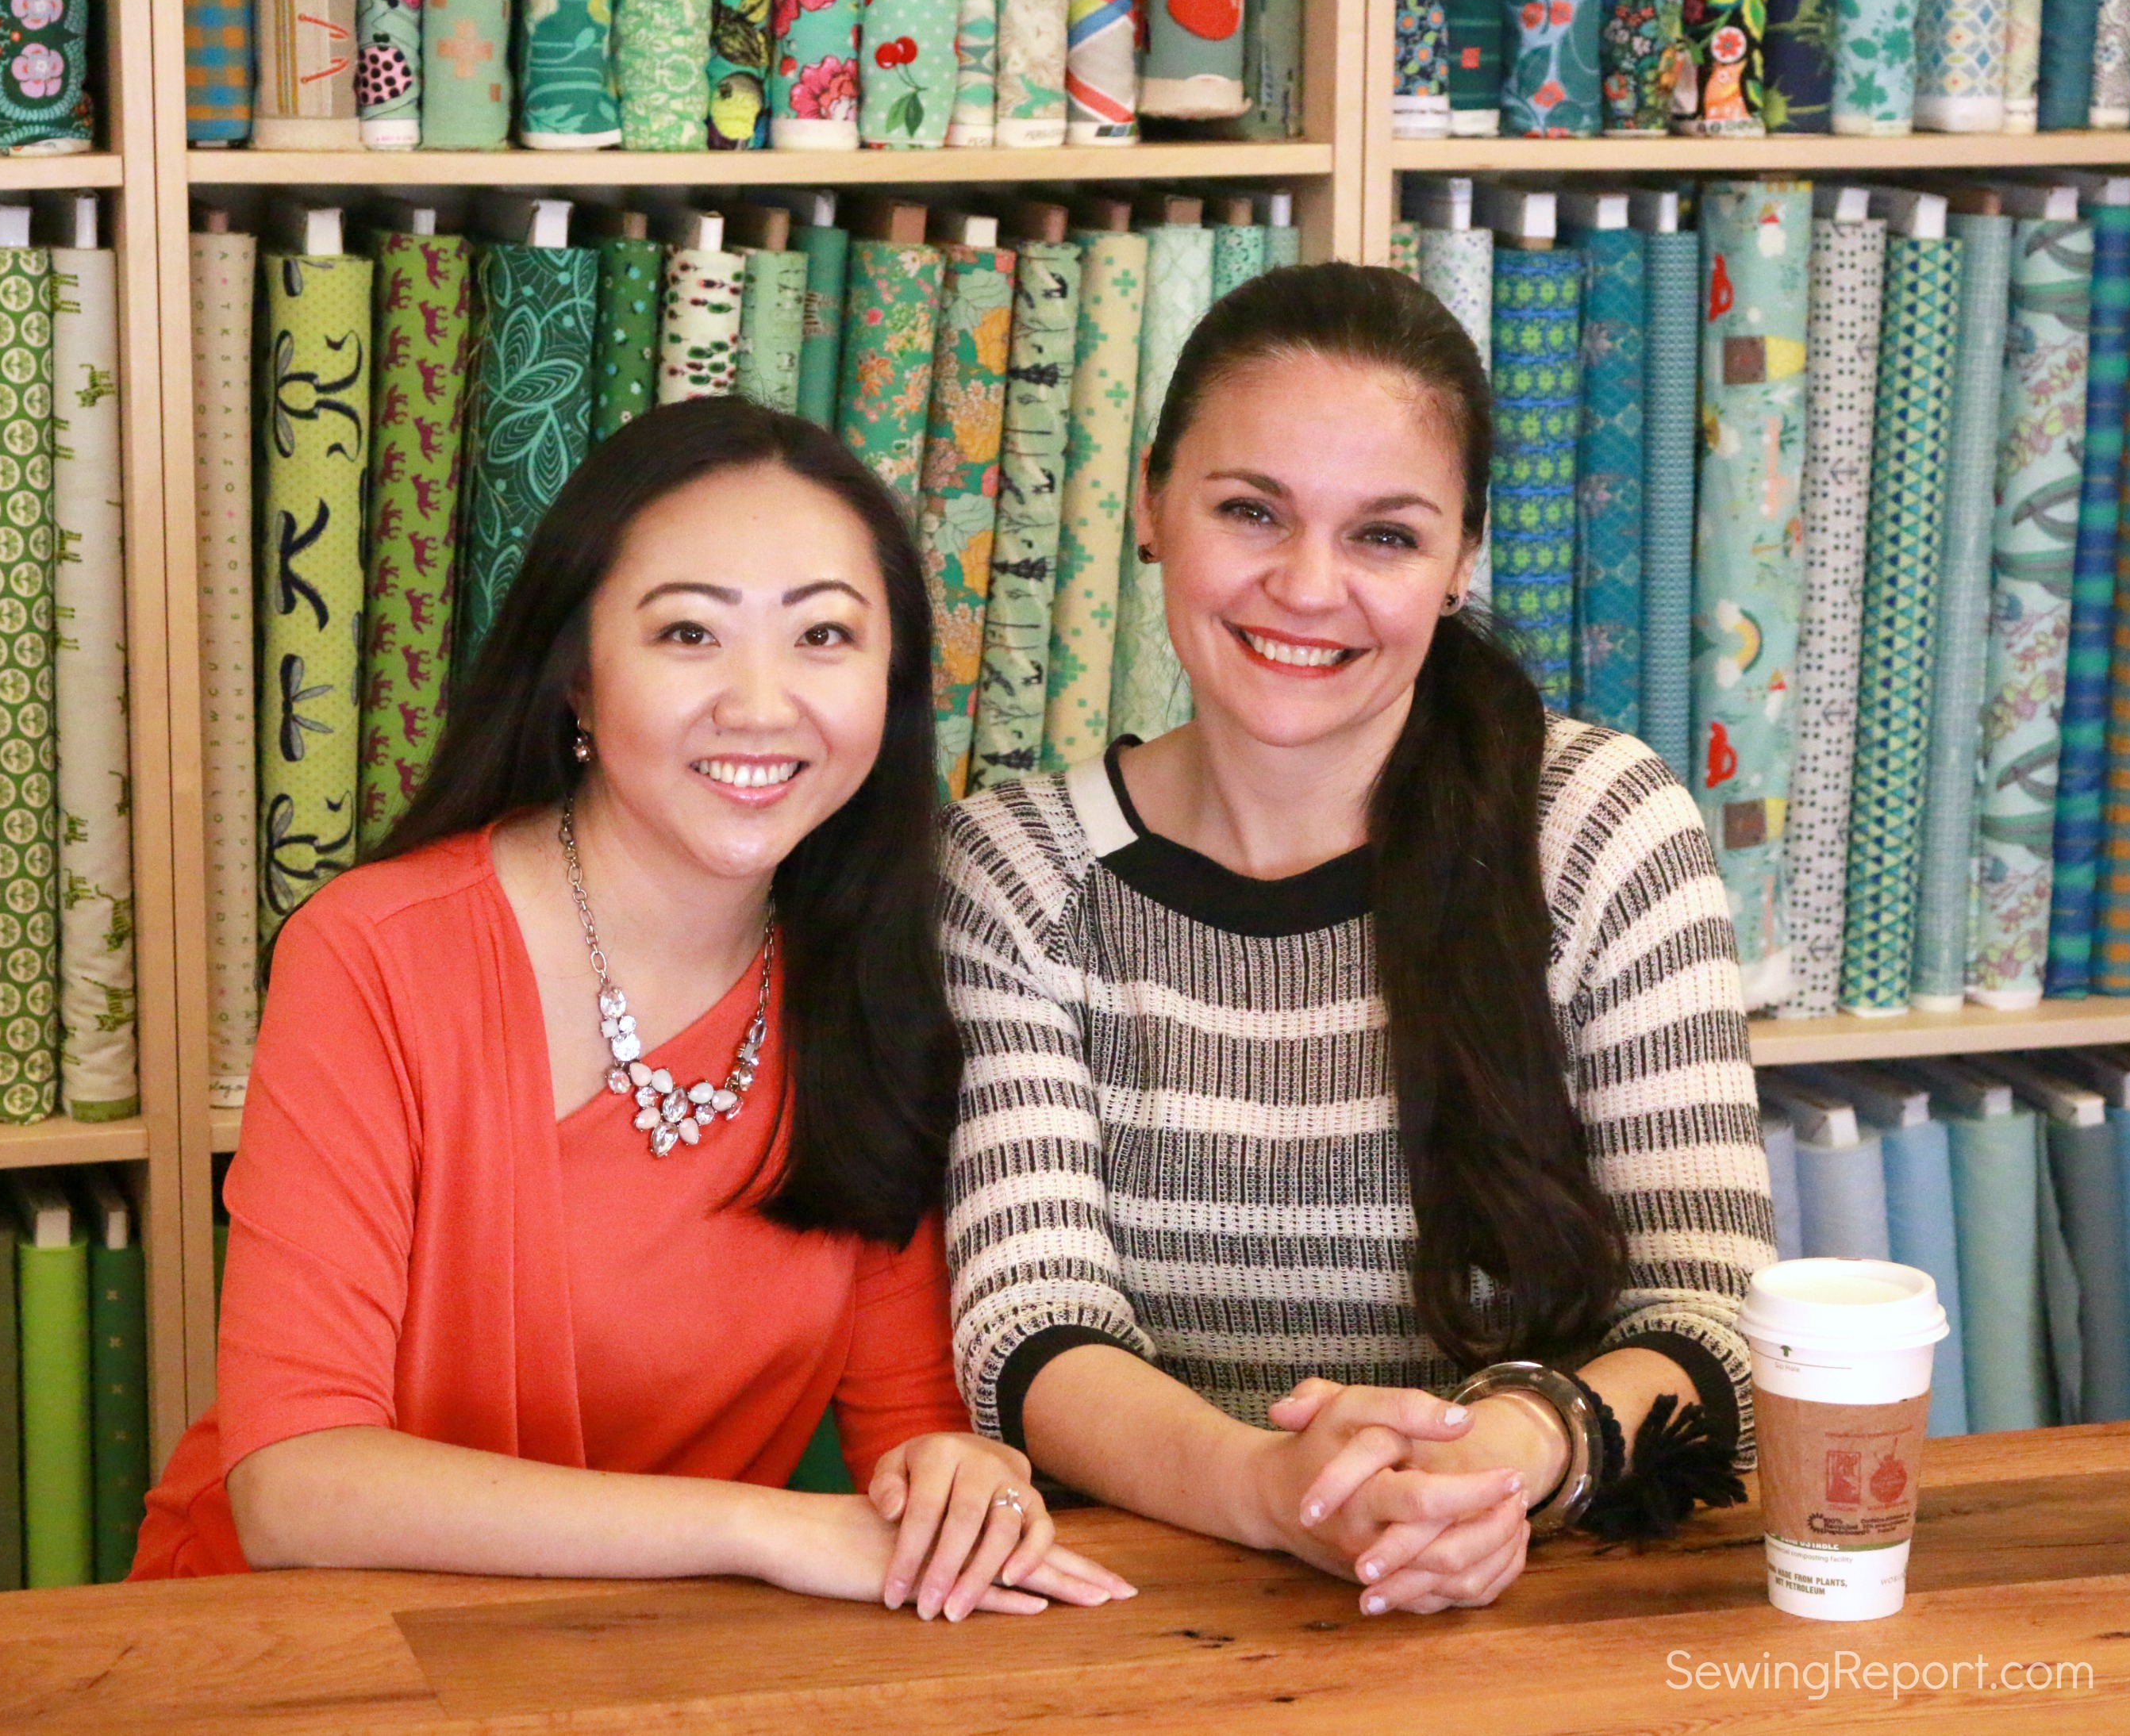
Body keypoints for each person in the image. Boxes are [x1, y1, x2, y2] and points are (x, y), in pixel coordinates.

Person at [134, 398, 1130, 1623]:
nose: (760, 704)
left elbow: (909, 1424)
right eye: (687, 633)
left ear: (892, 684)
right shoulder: (373, 952)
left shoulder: (873, 979)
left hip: (641, 1656)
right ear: (578, 677)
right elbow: (293, 1487)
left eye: (823, 634)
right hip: (291, 1649)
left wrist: (955, 1480)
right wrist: (755, 1528)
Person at [940, 263, 1773, 1619]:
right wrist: (1276, 1493)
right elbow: (1028, 1329)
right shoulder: (1014, 867)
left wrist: (1505, 1459)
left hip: (1539, 1609)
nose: (1306, 585)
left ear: (1458, 563)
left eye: (1383, 535)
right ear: (1151, 505)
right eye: (1250, 511)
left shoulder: (1600, 827)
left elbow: (1713, 1308)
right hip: (1135, 1616)